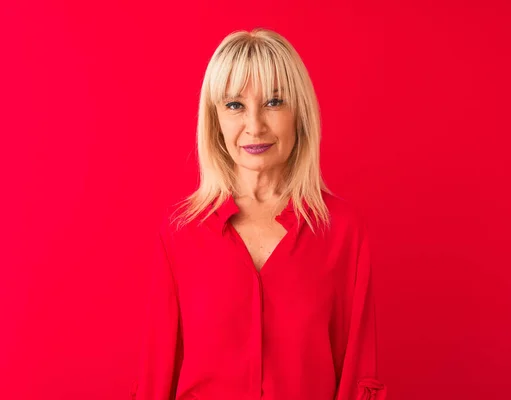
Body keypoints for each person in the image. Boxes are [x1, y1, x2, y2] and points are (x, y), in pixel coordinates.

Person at [130, 28, 387, 400]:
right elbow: (157, 375)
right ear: (215, 118)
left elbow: (358, 370)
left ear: (299, 113)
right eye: (235, 105)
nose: (255, 125)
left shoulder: (343, 231)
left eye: (274, 102)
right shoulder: (179, 235)